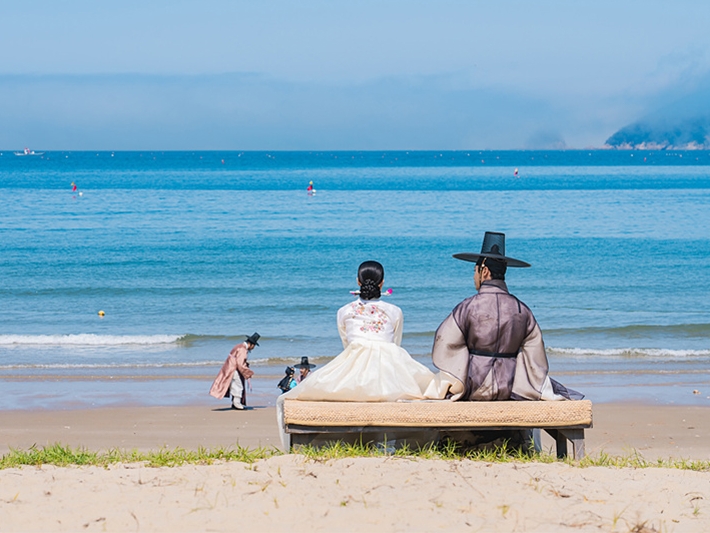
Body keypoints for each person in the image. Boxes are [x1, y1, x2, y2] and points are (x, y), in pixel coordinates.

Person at [431, 232, 582, 402]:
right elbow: (535, 356)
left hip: (475, 389)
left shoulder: (468, 307)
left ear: (484, 271)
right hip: (510, 390)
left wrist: (463, 367)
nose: (474, 277)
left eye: (475, 271)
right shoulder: (522, 310)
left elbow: (444, 342)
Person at [279, 261, 453, 403]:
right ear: (382, 283)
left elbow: (347, 346)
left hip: (353, 361)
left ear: (357, 281)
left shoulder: (344, 311)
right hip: (389, 361)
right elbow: (395, 345)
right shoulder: (394, 311)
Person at [209, 332, 260, 410]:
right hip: (234, 369)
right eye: (254, 346)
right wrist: (247, 372)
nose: (253, 348)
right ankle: (237, 403)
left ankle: (235, 402)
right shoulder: (243, 349)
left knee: (234, 385)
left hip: (229, 367)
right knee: (238, 386)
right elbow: (240, 363)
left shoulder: (238, 346)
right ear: (251, 344)